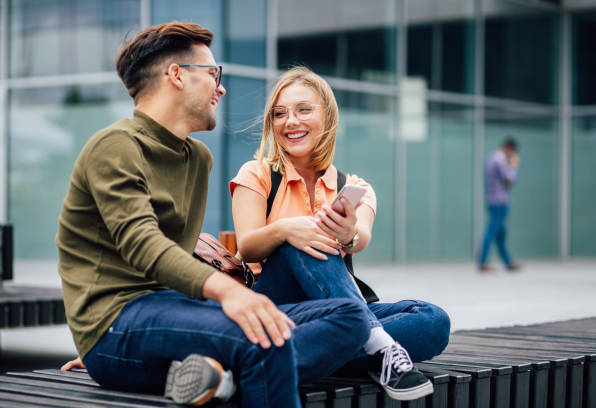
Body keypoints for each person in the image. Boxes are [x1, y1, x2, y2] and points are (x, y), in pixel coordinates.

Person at [56, 23, 372, 408]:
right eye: (213, 74)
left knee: (350, 317)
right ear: (176, 74)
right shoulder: (115, 146)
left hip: (176, 313)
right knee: (263, 339)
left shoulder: (196, 158)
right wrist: (229, 294)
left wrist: (215, 313)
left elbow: (181, 252)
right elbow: (145, 247)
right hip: (116, 324)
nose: (220, 88)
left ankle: (216, 378)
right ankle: (224, 367)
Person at [230, 66, 450, 401]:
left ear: (328, 117)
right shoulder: (256, 173)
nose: (291, 121)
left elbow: (361, 237)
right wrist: (287, 229)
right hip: (278, 306)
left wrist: (347, 235)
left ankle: (312, 354)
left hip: (340, 310)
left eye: (304, 110)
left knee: (434, 320)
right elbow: (246, 248)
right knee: (302, 239)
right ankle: (378, 347)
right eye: (280, 113)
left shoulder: (354, 187)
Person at [478, 138, 521, 272]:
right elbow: (509, 180)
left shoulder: (492, 158)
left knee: (501, 234)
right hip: (499, 202)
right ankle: (482, 261)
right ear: (509, 148)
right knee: (491, 232)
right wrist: (514, 166)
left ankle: (508, 262)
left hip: (493, 200)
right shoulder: (500, 159)